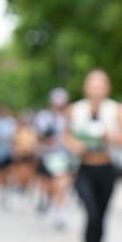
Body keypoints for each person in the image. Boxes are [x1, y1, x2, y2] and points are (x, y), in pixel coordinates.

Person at [65, 69, 122, 242]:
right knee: (91, 215)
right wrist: (75, 146)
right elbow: (66, 137)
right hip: (85, 169)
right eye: (93, 84)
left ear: (107, 88)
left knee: (100, 218)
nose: (97, 89)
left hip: (106, 169)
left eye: (101, 84)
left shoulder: (116, 110)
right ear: (86, 87)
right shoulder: (75, 110)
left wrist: (108, 135)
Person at [35, 88, 74, 229]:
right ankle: (52, 204)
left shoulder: (68, 117)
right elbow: (39, 136)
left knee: (62, 184)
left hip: (63, 156)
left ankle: (60, 212)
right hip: (47, 156)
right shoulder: (44, 116)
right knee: (49, 186)